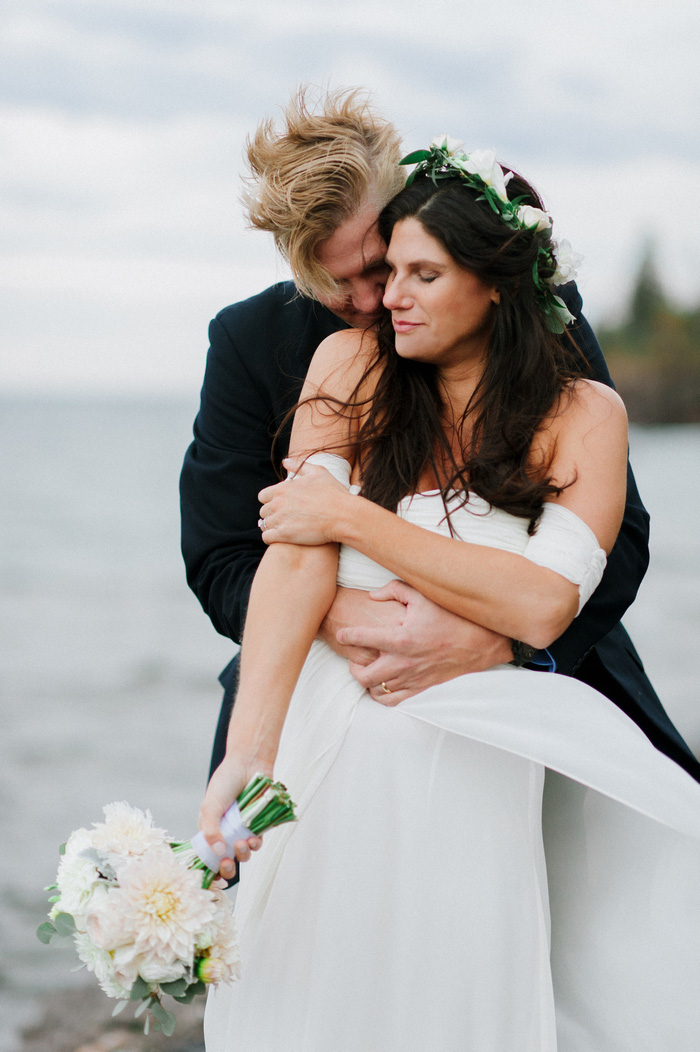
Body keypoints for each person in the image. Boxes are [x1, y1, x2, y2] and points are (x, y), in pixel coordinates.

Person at [199, 139, 700, 1050]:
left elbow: (577, 575)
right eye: (357, 279)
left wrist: (487, 631)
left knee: (466, 989)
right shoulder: (334, 361)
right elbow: (250, 556)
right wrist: (261, 737)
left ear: (496, 282)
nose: (380, 297)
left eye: (404, 268)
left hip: (490, 741)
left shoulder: (568, 384)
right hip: (328, 728)